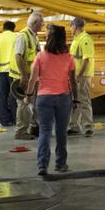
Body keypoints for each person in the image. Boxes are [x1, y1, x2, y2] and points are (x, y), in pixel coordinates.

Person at [28, 25, 77, 177]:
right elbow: (73, 81)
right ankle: (61, 164)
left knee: (45, 131)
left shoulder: (40, 56)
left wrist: (29, 94)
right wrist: (76, 98)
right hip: (63, 98)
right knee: (61, 132)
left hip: (44, 98)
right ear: (64, 39)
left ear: (48, 38)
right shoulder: (69, 58)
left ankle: (42, 165)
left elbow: (33, 78)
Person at [11, 12, 43, 139]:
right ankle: (21, 131)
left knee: (33, 102)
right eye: (42, 23)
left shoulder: (33, 36)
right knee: (24, 104)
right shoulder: (22, 36)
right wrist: (24, 76)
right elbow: (18, 56)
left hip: (31, 76)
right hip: (23, 76)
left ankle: (34, 127)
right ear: (35, 23)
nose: (43, 26)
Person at [68, 17, 96, 136]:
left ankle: (88, 126)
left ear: (75, 26)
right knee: (75, 100)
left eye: (71, 26)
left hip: (82, 76)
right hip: (75, 76)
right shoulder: (76, 39)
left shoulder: (85, 39)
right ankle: (74, 126)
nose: (70, 29)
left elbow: (86, 59)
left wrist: (79, 76)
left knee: (84, 100)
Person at [0, 21, 17, 127]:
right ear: (13, 29)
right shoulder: (17, 37)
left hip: (1, 71)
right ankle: (16, 119)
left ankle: (4, 121)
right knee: (14, 95)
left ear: (3, 28)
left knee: (2, 97)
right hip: (14, 71)